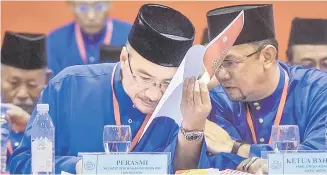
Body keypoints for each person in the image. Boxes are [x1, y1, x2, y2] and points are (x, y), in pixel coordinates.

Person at [9, 4, 212, 174]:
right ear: (124, 59)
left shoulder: (182, 100)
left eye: (166, 83)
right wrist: (79, 167)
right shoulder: (68, 87)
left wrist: (192, 129)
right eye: (144, 78)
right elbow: (22, 163)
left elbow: (188, 171)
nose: (154, 94)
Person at [202, 4, 327, 174]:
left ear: (267, 56)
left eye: (230, 63)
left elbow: (321, 161)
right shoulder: (219, 98)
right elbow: (214, 160)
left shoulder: (323, 91)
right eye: (217, 64)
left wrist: (237, 148)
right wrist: (251, 163)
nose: (221, 75)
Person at [1, 31, 51, 166]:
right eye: (13, 83)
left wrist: (32, 127)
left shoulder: (56, 117)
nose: (22, 94)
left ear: (47, 79)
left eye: (32, 85)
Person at [47, 1, 132, 77]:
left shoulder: (131, 36)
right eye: (82, 8)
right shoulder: (54, 41)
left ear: (109, 3)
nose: (91, 16)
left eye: (99, 6)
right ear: (70, 6)